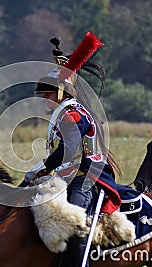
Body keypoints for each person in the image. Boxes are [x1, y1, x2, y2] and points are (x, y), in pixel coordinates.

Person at [24, 33, 122, 267]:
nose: (44, 100)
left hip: (86, 176)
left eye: (47, 95)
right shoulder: (64, 113)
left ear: (60, 93)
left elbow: (70, 148)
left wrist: (42, 167)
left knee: (76, 223)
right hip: (68, 175)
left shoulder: (72, 114)